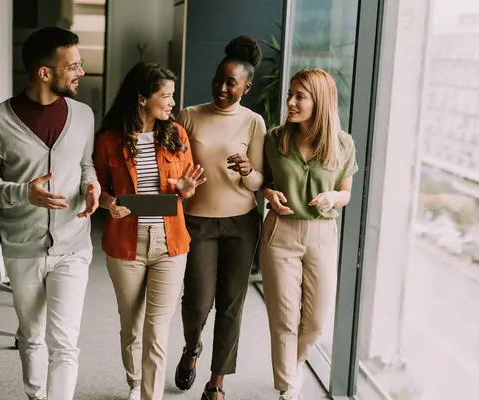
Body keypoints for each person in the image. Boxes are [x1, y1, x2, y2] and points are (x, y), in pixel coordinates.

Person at [0, 27, 99, 400]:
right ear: (45, 72)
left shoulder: (84, 115)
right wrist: (23, 192)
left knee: (65, 342)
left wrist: (91, 185)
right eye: (73, 66)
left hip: (73, 244)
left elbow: (86, 163)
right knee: (32, 336)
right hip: (21, 246)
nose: (81, 72)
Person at [93, 62, 206, 400]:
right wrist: (110, 202)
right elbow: (96, 190)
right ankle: (135, 384)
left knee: (156, 331)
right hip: (125, 243)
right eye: (166, 96)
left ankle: (150, 396)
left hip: (170, 245)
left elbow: (184, 190)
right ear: (142, 98)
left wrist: (186, 190)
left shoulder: (176, 135)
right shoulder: (109, 140)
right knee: (132, 328)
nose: (173, 103)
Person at [174, 35, 266, 400]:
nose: (222, 88)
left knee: (231, 303)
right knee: (197, 300)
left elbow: (258, 180)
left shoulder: (254, 122)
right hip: (197, 221)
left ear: (247, 86)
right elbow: (175, 169)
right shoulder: (189, 116)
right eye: (219, 79)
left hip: (241, 223)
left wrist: (247, 170)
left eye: (232, 82)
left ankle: (217, 381)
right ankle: (191, 347)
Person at [260, 68, 358, 400]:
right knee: (284, 318)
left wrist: (334, 197)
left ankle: (292, 364)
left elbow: (346, 192)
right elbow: (266, 183)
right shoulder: (274, 139)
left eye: (300, 96)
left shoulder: (343, 144)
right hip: (280, 233)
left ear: (321, 101)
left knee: (315, 322)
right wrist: (269, 194)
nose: (290, 101)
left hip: (322, 235)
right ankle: (288, 388)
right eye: (290, 94)